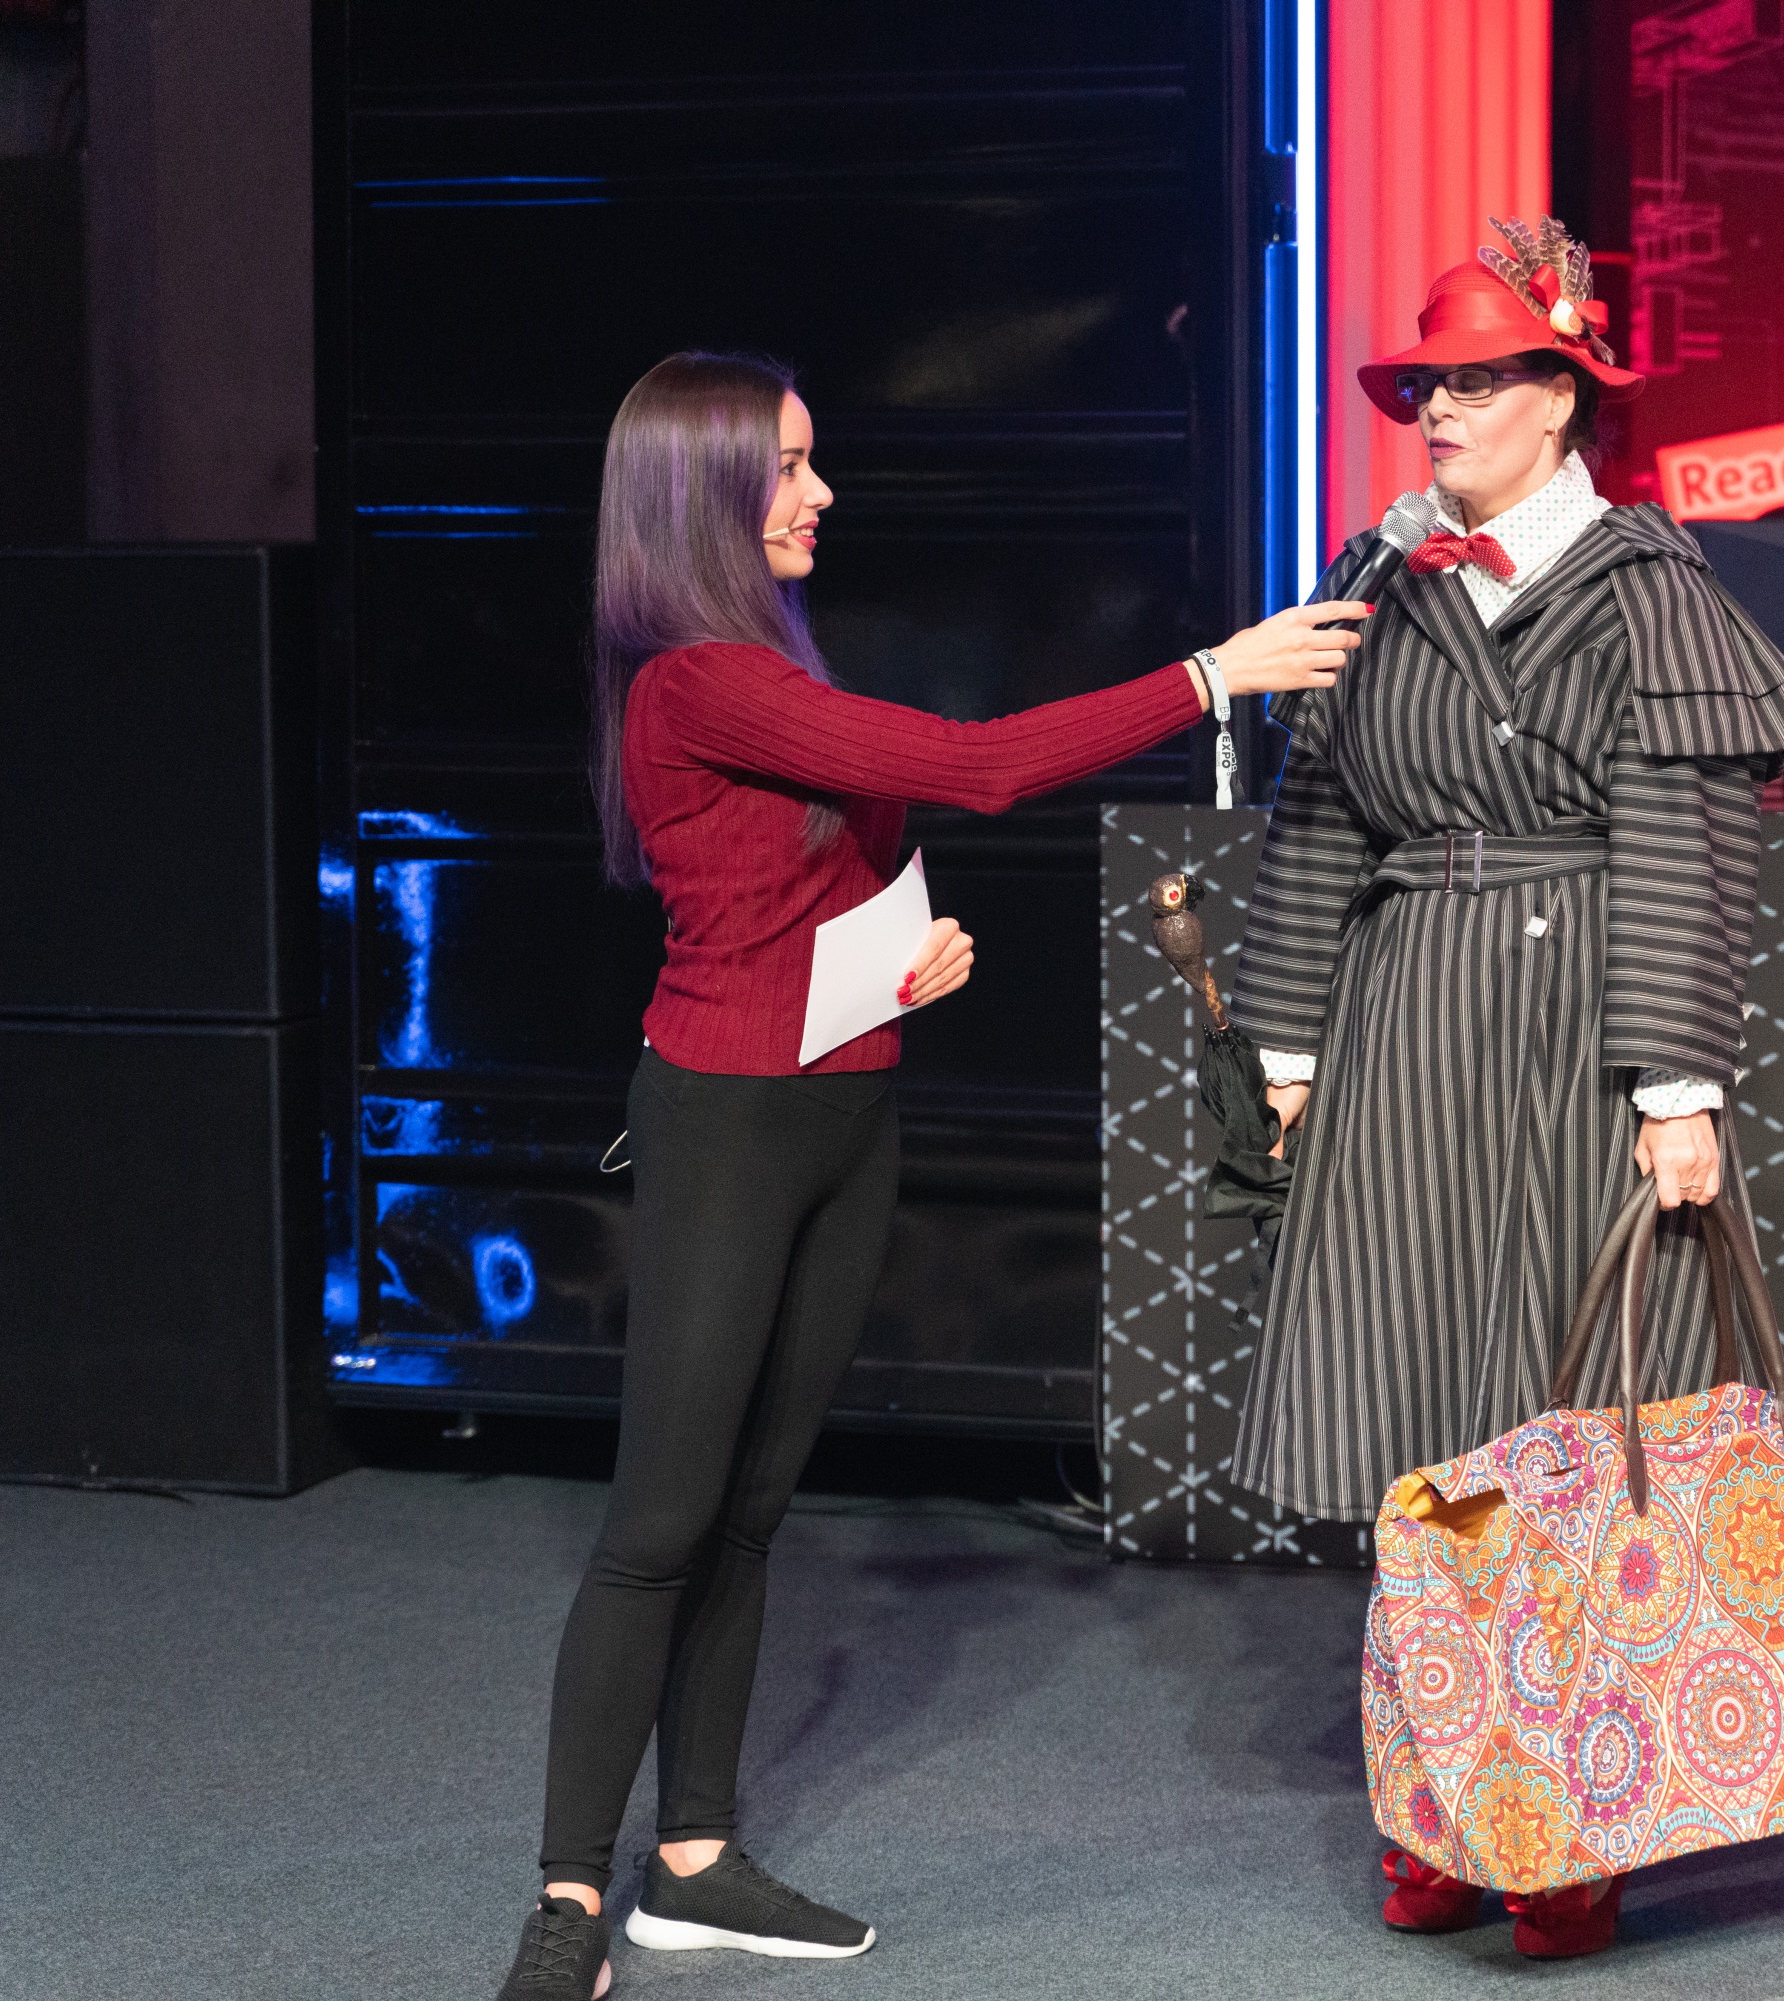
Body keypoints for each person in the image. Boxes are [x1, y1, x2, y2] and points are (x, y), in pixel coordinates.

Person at [494, 351, 1370, 2001]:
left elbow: (814, 873)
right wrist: (1213, 675)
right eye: (788, 466)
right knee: (660, 1520)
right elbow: (975, 765)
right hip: (728, 1120)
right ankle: (565, 1904)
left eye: (813, 461)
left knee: (753, 1508)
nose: (819, 493)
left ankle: (693, 1861)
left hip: (843, 1110)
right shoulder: (693, 679)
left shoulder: (773, 659)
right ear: (701, 494)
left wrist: (897, 959)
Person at [1227, 221, 1784, 1961]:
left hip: (1576, 1034)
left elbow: (1685, 854)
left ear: (1561, 400)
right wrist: (1287, 1045)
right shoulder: (1378, 577)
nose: (1441, 411)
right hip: (1409, 1017)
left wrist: (1679, 1088)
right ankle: (1436, 1807)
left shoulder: (1647, 592)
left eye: (1479, 381)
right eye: (1428, 385)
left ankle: (1569, 1821)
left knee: (1569, 1437)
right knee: (1424, 1441)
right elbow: (1320, 821)